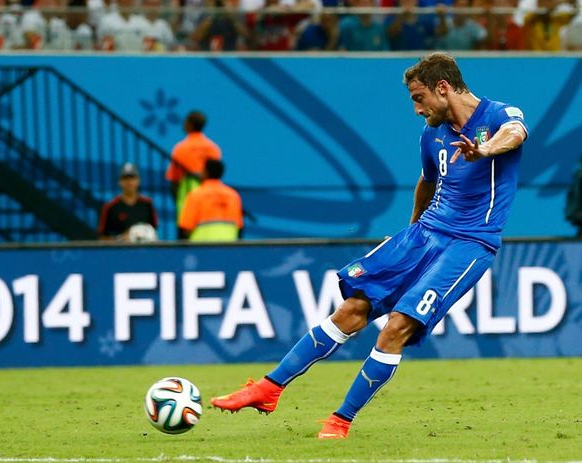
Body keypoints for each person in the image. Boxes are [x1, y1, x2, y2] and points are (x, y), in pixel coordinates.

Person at [211, 52, 528, 440]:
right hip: (424, 234)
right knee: (352, 308)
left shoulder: (498, 116)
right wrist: (409, 237)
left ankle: (339, 421)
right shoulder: (433, 133)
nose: (416, 108)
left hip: (469, 243)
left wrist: (487, 150)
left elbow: (516, 135)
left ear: (443, 88)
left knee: (396, 327)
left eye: (419, 97)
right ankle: (268, 388)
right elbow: (426, 182)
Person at [165, 110, 222, 237]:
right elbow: (216, 175)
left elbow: (174, 179)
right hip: (211, 203)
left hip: (186, 200)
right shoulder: (213, 148)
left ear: (189, 125)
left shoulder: (180, 148)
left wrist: (179, 200)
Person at [178, 159, 243, 241]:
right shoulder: (233, 195)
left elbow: (185, 228)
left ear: (206, 172)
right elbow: (239, 226)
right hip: (229, 245)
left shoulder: (196, 195)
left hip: (202, 247)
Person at [98, 163, 158, 242]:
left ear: (138, 180)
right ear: (119, 182)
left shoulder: (147, 204)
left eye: (132, 178)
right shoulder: (111, 207)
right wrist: (121, 240)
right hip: (120, 252)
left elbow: (153, 230)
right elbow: (102, 238)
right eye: (125, 178)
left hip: (144, 251)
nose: (129, 182)